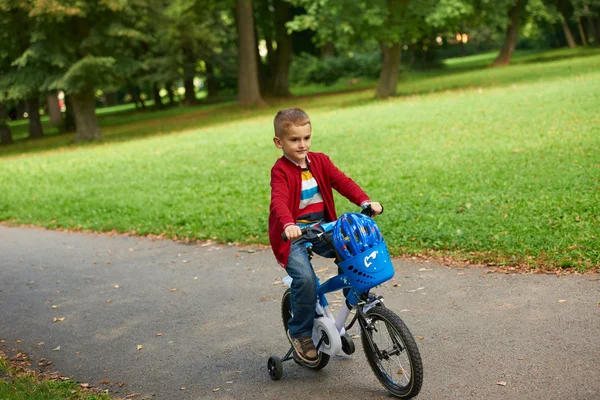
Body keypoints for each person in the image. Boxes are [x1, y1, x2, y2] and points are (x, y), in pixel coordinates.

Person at [268, 108, 382, 363]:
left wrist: (365, 201)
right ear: (279, 142)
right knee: (306, 280)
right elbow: (279, 201)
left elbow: (343, 182)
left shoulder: (320, 161)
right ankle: (300, 333)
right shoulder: (281, 171)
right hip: (293, 235)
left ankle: (355, 300)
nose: (302, 144)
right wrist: (288, 224)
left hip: (323, 228)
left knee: (353, 251)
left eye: (306, 137)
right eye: (294, 140)